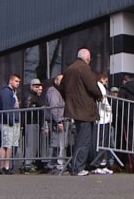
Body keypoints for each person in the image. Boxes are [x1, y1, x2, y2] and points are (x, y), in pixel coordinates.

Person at [59, 48, 103, 176]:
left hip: (74, 109)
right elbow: (92, 86)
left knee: (80, 138)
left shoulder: (69, 69)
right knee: (84, 140)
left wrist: (69, 99)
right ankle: (78, 167)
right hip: (85, 109)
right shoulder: (84, 68)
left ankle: (78, 166)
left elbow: (61, 87)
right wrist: (99, 95)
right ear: (87, 58)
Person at [90, 73, 114, 175]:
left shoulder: (97, 86)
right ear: (102, 79)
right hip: (102, 118)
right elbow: (103, 101)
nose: (106, 83)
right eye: (106, 81)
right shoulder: (100, 87)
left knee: (102, 143)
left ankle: (101, 164)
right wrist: (110, 108)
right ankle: (99, 164)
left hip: (102, 118)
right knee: (101, 143)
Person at [0, 74, 22, 175]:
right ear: (11, 81)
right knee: (6, 144)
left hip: (14, 121)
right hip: (7, 122)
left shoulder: (13, 92)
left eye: (19, 82)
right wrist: (10, 120)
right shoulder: (6, 92)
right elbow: (6, 107)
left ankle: (7, 166)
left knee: (11, 144)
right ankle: (4, 166)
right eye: (16, 81)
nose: (18, 83)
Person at [45, 74, 68, 173]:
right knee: (58, 144)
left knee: (60, 144)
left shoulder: (60, 92)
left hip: (61, 120)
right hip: (57, 121)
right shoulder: (53, 92)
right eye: (60, 80)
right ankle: (55, 164)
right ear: (55, 81)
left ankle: (56, 163)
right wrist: (58, 121)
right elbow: (54, 107)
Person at [22, 78, 45, 173]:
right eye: (36, 86)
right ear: (31, 87)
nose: (38, 88)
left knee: (35, 144)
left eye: (39, 86)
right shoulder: (29, 96)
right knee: (30, 144)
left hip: (36, 122)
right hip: (31, 122)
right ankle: (27, 164)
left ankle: (31, 163)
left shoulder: (36, 96)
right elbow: (28, 108)